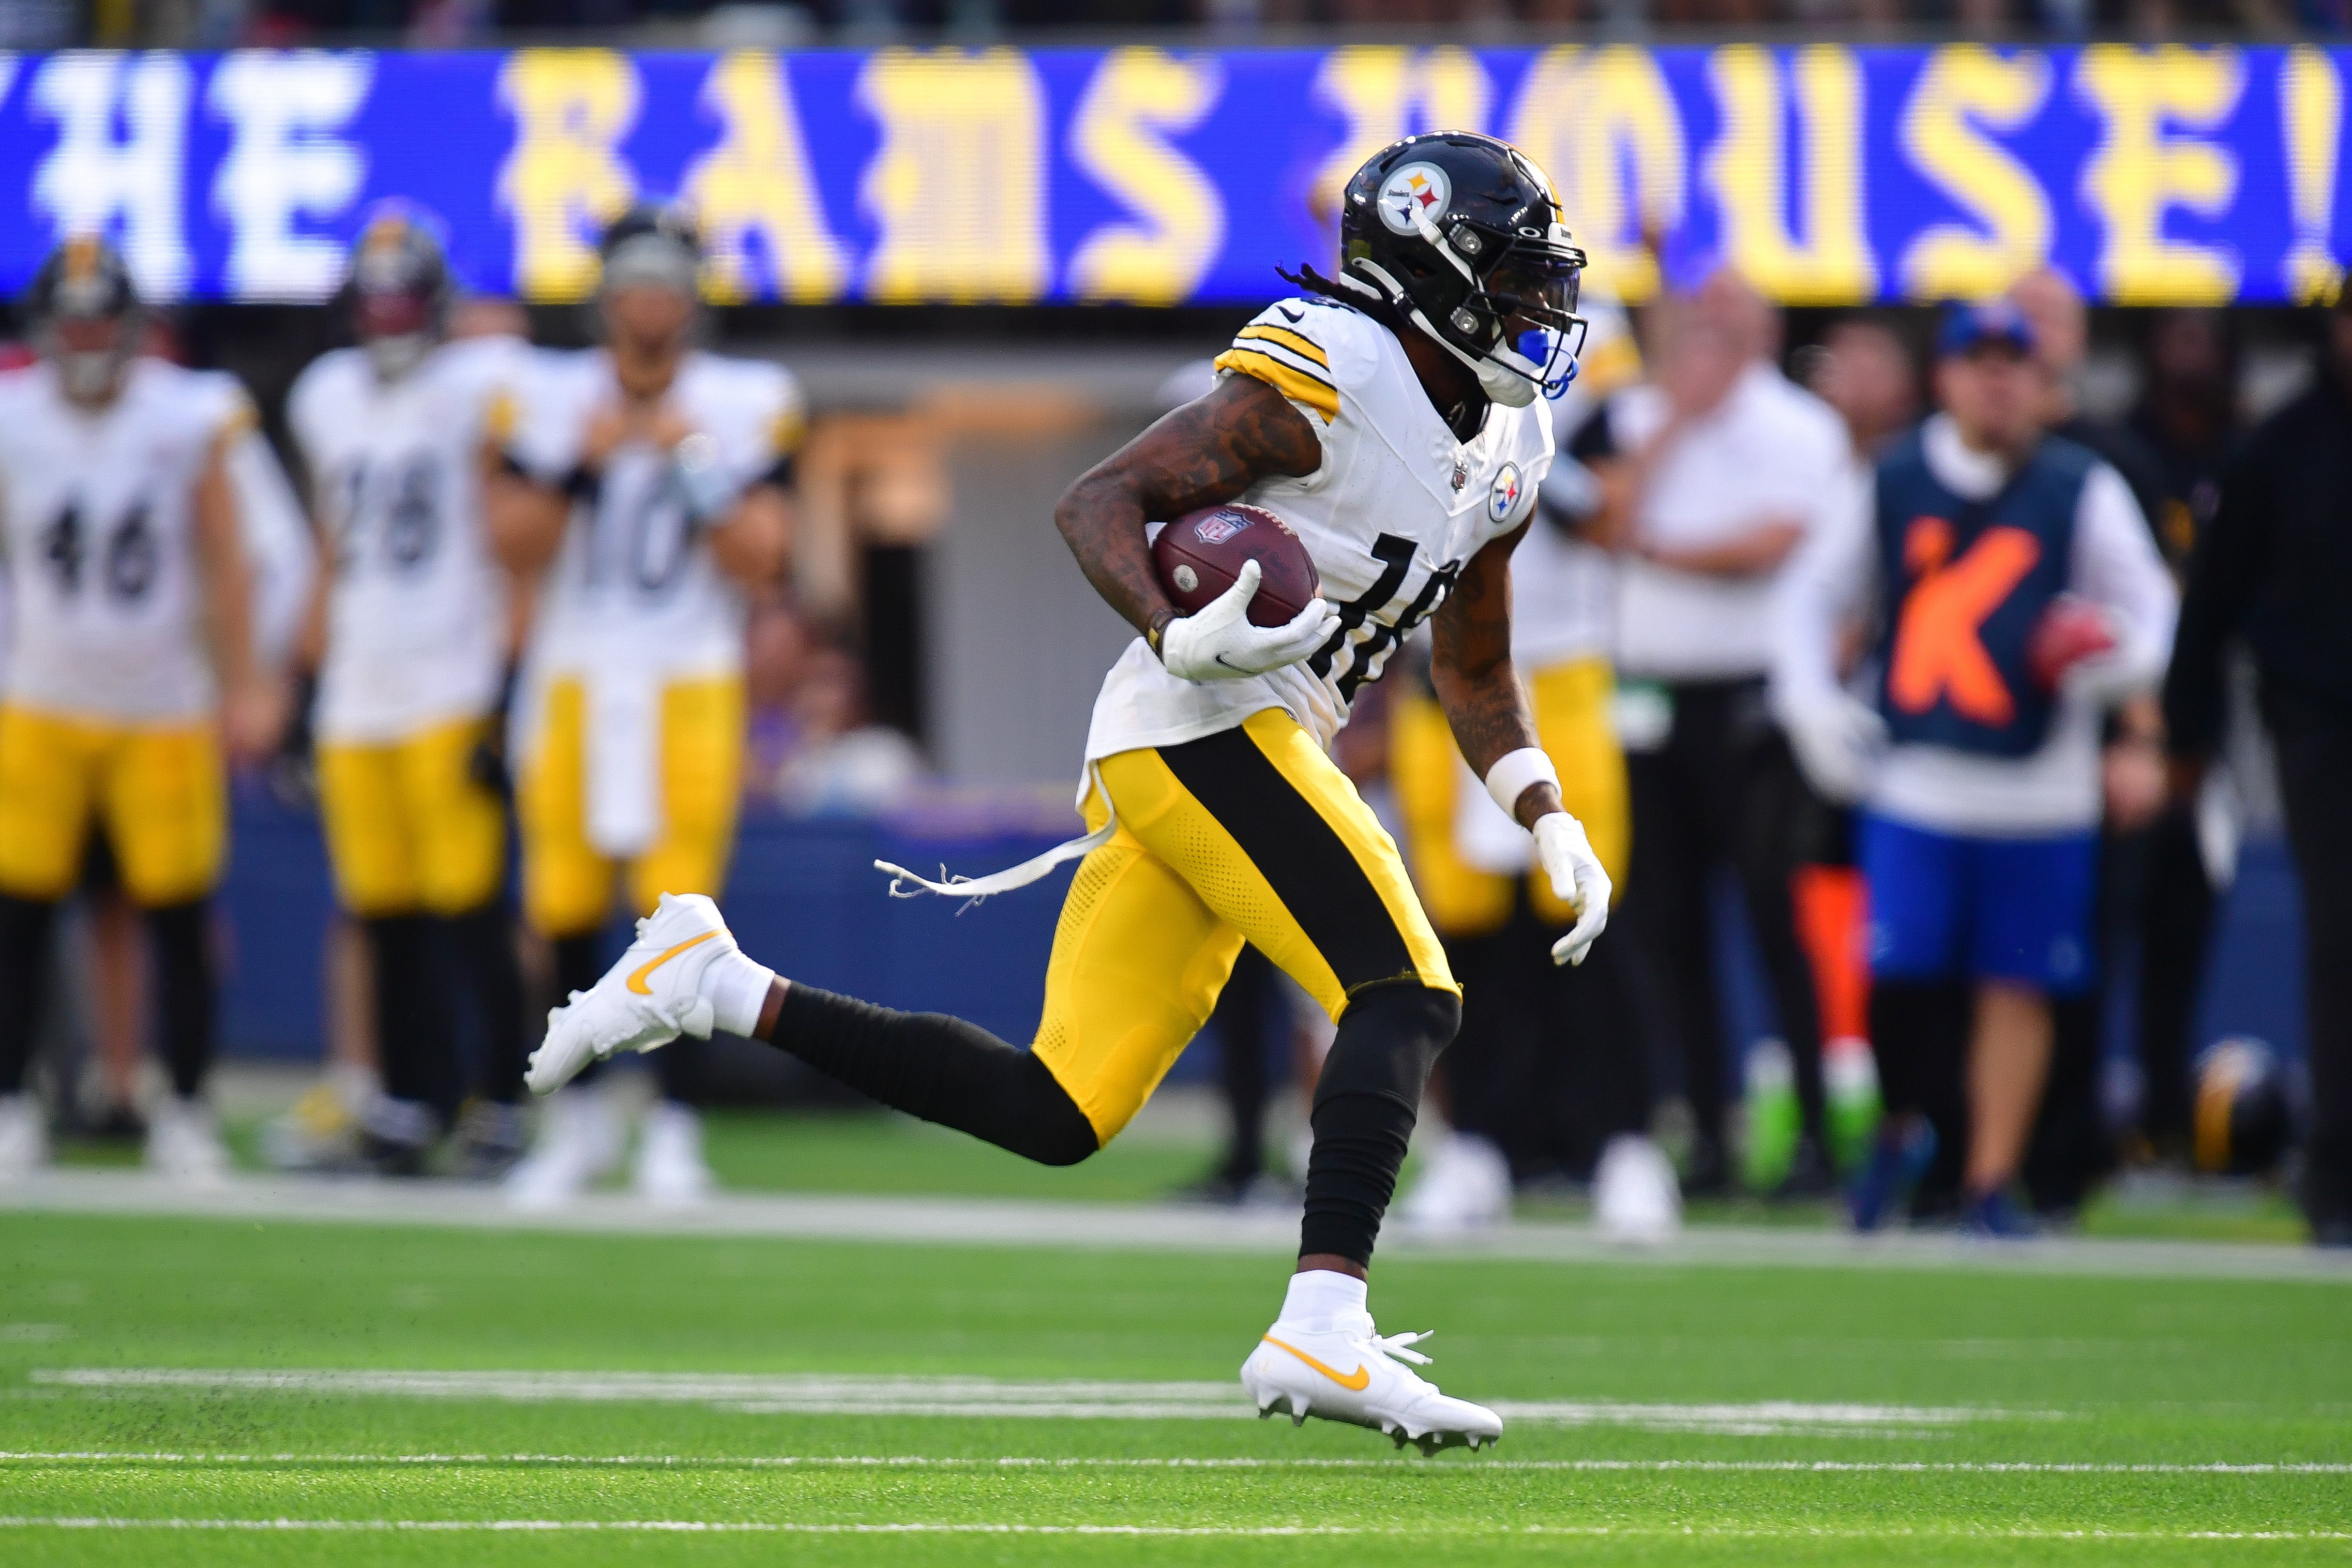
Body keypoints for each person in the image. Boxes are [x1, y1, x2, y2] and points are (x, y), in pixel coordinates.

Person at [521, 133, 1611, 1453]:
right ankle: (1322, 1322)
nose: (1533, 310)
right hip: (1195, 722)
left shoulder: (1515, 437)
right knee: (1406, 993)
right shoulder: (1333, 372)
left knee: (1060, 1110)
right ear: (1431, 275)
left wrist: (1545, 806)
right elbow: (1101, 503)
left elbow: (1475, 661)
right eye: (1507, 280)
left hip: (1270, 728)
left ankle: (713, 982)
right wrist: (1171, 627)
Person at [1775, 301, 2176, 1238]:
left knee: (2019, 985)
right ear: (1946, 378)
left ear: (2044, 383)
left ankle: (1993, 1179)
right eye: (1978, 362)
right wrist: (1815, 712)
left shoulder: (2085, 485)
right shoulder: (1895, 477)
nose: (1997, 382)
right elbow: (1810, 598)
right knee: (1902, 977)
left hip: (2043, 788)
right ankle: (1904, 1132)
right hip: (1918, 777)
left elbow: (2152, 616)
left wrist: (2103, 660)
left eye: (2014, 364)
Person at [490, 203, 798, 1208]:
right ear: (604, 297)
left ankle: (674, 1126)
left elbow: (762, 559)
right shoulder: (544, 396)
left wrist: (690, 461)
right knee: (565, 905)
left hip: (689, 673)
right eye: (634, 283)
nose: (649, 304)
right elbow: (512, 546)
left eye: (667, 282)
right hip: (575, 670)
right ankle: (573, 1124)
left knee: (683, 910)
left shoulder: (743, 401)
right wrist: (587, 457)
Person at [0, 236, 288, 1183]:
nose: (85, 339)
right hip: (41, 696)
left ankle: (188, 1106)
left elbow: (225, 555)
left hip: (162, 702)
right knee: (22, 914)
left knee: (176, 912)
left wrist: (245, 681)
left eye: (99, 319)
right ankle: (12, 1106)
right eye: (71, 320)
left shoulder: (185, 415)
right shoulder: (13, 416)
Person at [1390, 295, 1667, 1240]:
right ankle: (1478, 1148)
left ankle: (1623, 1145)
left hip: (1557, 666)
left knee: (1588, 910)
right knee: (1461, 929)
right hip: (1444, 671)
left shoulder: (1587, 336)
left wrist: (1523, 448)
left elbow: (1613, 510)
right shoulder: (1401, 329)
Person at [1584, 270, 1853, 1195]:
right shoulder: (1639, 415)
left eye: (1736, 319)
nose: (1717, 333)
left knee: (1775, 923)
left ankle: (1815, 1132)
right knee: (1670, 931)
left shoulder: (1799, 427)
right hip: (1652, 704)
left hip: (1753, 703)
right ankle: (1704, 1134)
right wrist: (1674, 424)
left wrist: (1661, 550)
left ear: (1769, 331)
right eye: (1705, 318)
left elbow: (1773, 544)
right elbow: (1604, 516)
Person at [285, 206, 533, 1178]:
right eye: (374, 303)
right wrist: (305, 685)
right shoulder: (324, 397)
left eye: (404, 302)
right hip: (357, 686)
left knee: (469, 910)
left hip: (451, 682)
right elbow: (327, 549)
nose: (388, 321)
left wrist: (507, 691)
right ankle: (406, 1101)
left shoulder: (480, 386)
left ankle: (501, 1101)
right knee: (382, 913)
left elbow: (512, 541)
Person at [2165, 288, 2352, 1247]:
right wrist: (2185, 730)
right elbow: (2215, 601)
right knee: (2337, 937)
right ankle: (2337, 1171)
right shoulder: (2282, 449)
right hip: (2320, 721)